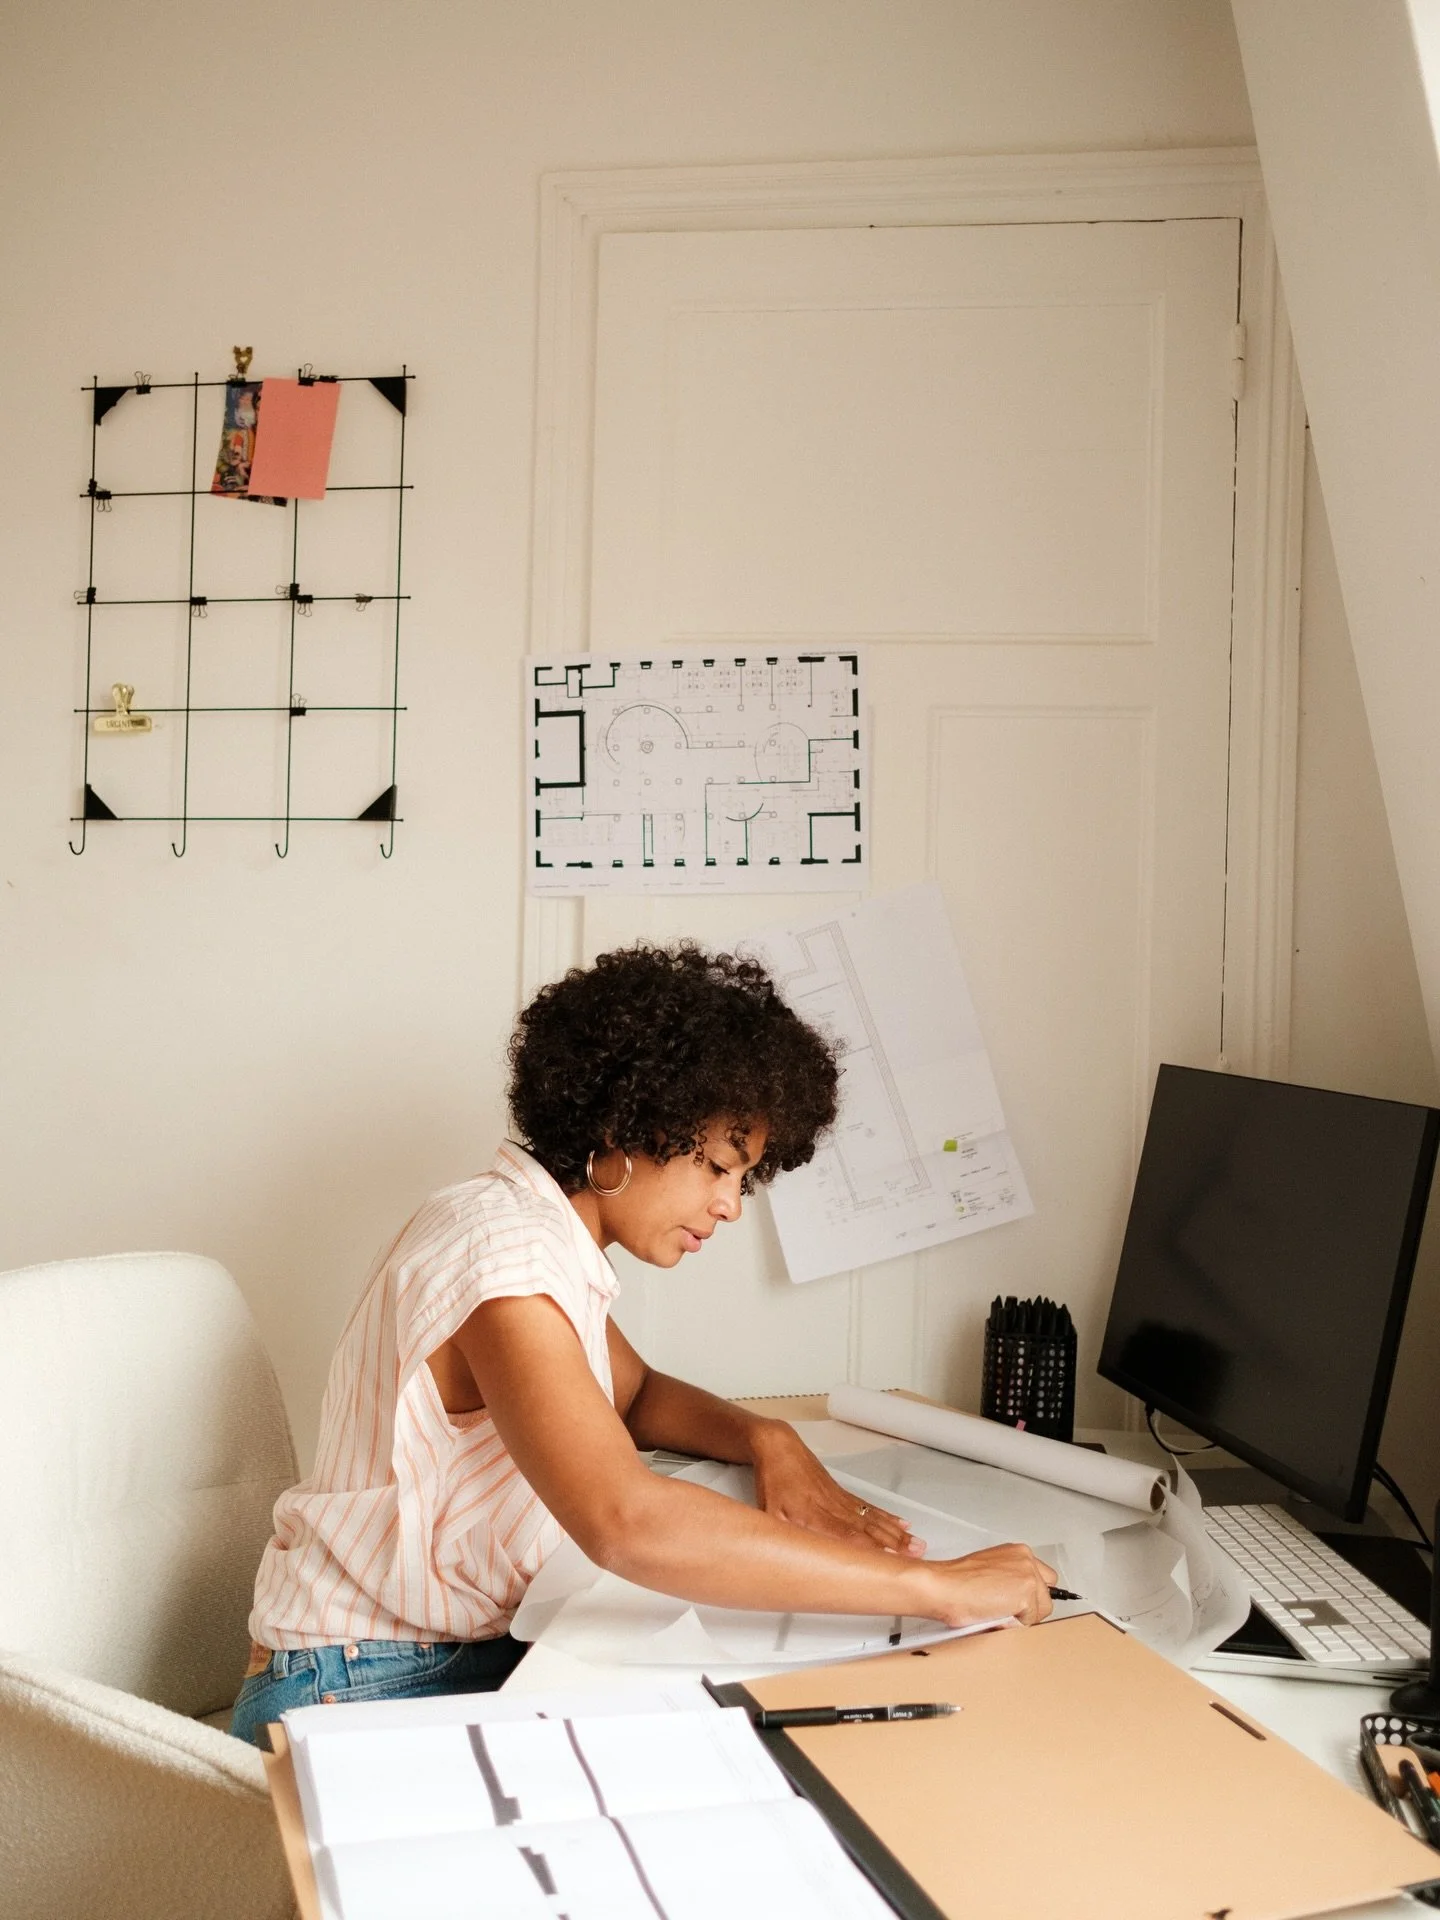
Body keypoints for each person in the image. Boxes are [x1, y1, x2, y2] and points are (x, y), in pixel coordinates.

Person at [231, 942, 1052, 1742]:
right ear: (628, 1124)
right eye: (718, 1167)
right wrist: (935, 1586)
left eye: (745, 1178)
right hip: (359, 1681)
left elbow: (638, 1397)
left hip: (440, 1652)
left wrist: (770, 1439)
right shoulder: (507, 1262)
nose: (731, 1206)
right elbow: (626, 1520)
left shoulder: (534, 1234)